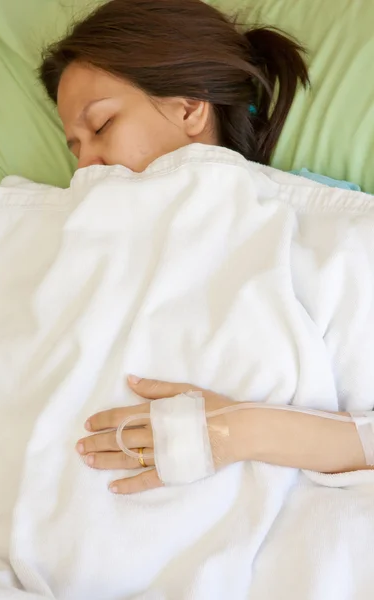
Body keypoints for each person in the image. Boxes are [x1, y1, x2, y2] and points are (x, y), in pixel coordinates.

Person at [39, 0, 372, 495]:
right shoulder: (41, 224)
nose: (86, 167)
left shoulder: (324, 227)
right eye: (75, 148)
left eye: (102, 127)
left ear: (190, 107)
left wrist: (238, 430)